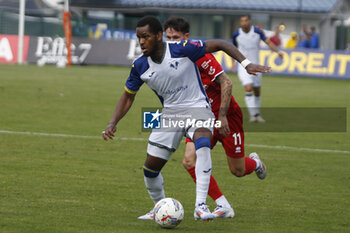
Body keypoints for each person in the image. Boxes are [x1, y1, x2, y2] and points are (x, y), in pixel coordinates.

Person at [102, 16, 271, 221]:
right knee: (151, 168)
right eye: (138, 37)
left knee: (208, 148)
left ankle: (200, 206)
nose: (141, 42)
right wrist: (113, 123)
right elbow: (128, 96)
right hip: (170, 114)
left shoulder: (184, 49)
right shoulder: (139, 66)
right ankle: (159, 208)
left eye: (145, 36)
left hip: (201, 108)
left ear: (157, 36)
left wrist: (246, 64)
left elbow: (221, 48)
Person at [164, 16, 267, 219]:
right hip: (200, 117)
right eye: (168, 38)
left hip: (227, 115)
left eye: (176, 37)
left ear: (186, 37)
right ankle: (222, 204)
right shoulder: (170, 60)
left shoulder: (201, 57)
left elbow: (227, 83)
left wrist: (221, 116)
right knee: (189, 160)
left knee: (236, 170)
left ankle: (256, 164)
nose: (172, 42)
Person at [232, 15, 283, 123]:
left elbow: (268, 42)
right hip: (243, 66)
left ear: (249, 21)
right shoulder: (236, 34)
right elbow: (233, 49)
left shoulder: (257, 32)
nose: (244, 23)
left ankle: (257, 114)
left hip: (257, 66)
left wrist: (278, 52)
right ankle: (253, 115)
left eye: (246, 20)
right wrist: (233, 63)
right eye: (242, 21)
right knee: (248, 88)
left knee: (257, 91)